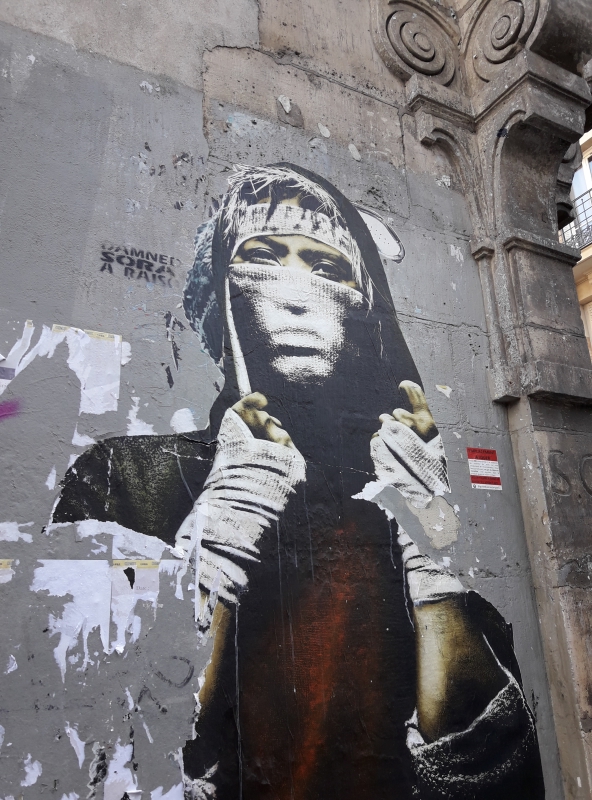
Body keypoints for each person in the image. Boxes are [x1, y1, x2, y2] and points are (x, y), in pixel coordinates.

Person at [54, 164, 545, 799]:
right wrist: (226, 528)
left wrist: (429, 552)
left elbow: (489, 770)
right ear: (220, 301)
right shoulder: (124, 479)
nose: (293, 293)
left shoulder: (407, 500)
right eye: (261, 257)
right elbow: (101, 741)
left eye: (327, 266)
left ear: (368, 309)